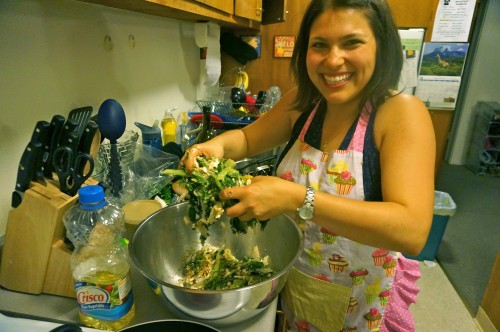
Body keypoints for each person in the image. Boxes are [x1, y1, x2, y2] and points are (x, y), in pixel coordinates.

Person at [182, 0, 435, 330]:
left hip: (362, 304)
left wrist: (297, 198)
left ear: (381, 46)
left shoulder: (399, 113)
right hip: (299, 289)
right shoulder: (302, 102)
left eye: (351, 43)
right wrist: (216, 146)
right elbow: (244, 141)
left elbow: (412, 230)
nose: (333, 60)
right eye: (320, 45)